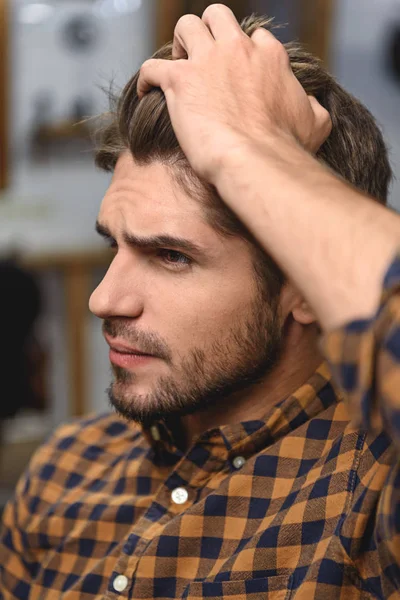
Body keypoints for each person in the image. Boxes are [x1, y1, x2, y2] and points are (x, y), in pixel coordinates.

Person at [1, 4, 400, 598]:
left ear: (304, 287)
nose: (105, 299)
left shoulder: (372, 497)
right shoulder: (66, 473)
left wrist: (250, 150)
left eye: (171, 256)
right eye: (115, 246)